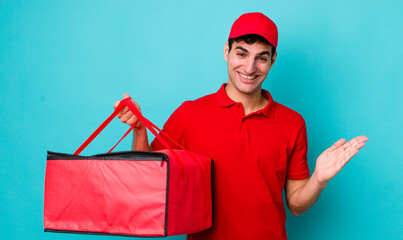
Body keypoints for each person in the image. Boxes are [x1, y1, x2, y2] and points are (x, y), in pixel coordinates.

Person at [114, 12, 368, 240]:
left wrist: (318, 180)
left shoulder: (292, 123)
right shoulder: (190, 114)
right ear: (227, 50)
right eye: (241, 54)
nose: (249, 68)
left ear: (273, 60)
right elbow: (148, 177)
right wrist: (139, 128)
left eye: (261, 58)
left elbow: (296, 204)